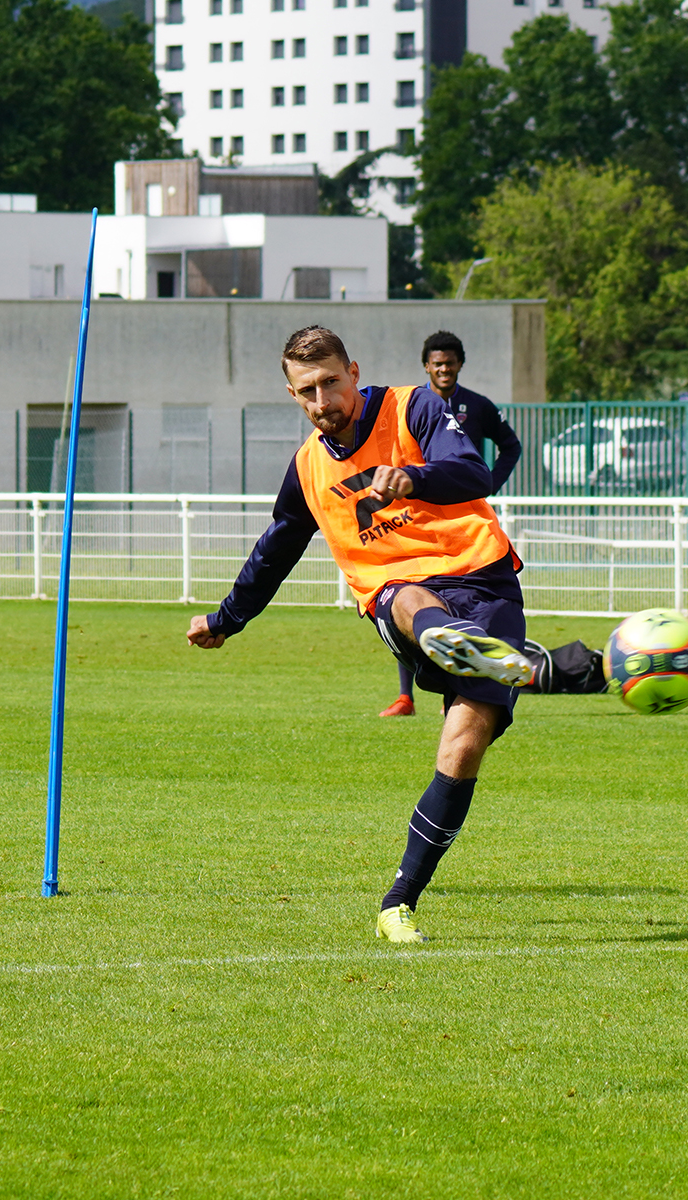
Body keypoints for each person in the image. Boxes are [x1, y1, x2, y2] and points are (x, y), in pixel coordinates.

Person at [186, 325, 534, 944]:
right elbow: (276, 550)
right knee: (404, 596)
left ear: (353, 370)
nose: (323, 401)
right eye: (308, 391)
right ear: (294, 396)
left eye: (330, 383)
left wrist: (414, 478)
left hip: (485, 581)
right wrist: (227, 618)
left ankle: (398, 903)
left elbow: (472, 472)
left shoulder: (415, 406)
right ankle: (454, 641)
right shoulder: (307, 469)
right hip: (401, 598)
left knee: (463, 746)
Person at [380, 330, 523, 717]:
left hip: (464, 520)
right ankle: (405, 696)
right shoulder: (410, 407)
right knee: (408, 593)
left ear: (461, 364)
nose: (444, 369)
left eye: (450, 363)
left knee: (460, 602)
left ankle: (458, 694)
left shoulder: (477, 406)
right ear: (426, 366)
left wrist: (490, 482)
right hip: (416, 517)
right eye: (437, 363)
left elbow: (512, 445)